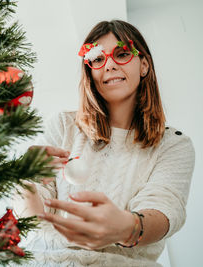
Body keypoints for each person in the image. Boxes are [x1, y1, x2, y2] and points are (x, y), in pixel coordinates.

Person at [12, 20, 195, 267]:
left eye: (121, 54)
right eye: (97, 59)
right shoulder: (63, 127)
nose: (108, 65)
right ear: (90, 71)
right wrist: (26, 179)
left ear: (144, 65)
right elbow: (30, 224)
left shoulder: (173, 145)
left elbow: (165, 210)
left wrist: (126, 228)